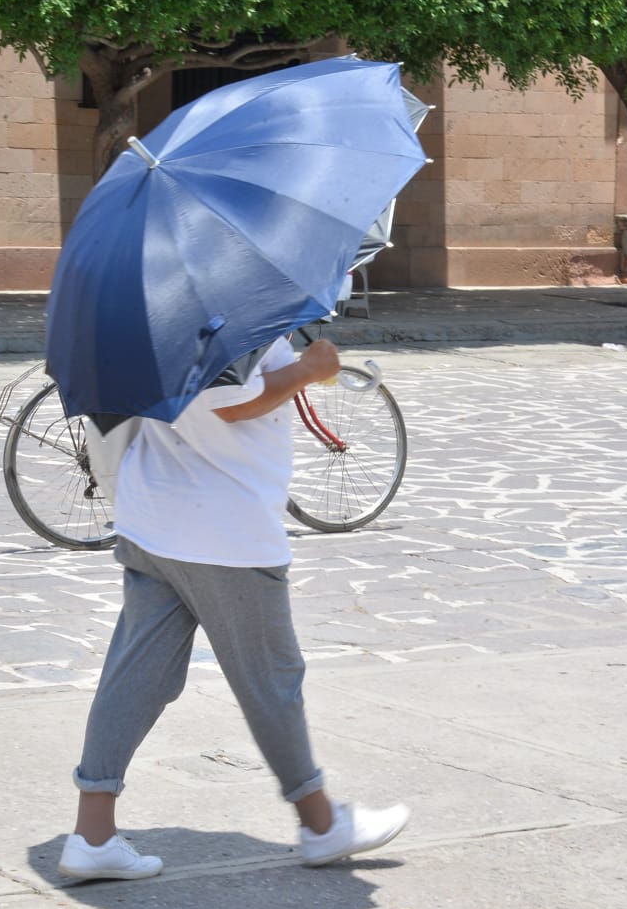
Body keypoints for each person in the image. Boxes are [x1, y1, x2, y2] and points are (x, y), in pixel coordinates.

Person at [57, 334, 409, 881]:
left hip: (155, 514)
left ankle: (93, 832)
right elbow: (226, 404)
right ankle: (321, 823)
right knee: (271, 680)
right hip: (223, 529)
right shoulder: (225, 311)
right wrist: (308, 369)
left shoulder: (156, 310)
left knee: (135, 675)